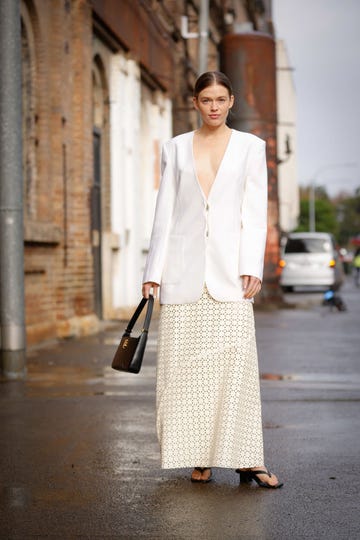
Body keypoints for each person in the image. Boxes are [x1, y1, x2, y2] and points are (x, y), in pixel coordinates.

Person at [142, 71, 282, 488]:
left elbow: (255, 212)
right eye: (207, 100)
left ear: (232, 101)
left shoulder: (250, 148)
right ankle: (197, 456)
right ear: (195, 103)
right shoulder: (176, 148)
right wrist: (152, 273)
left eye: (221, 99)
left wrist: (252, 264)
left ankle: (247, 459)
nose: (215, 107)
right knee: (184, 373)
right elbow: (164, 214)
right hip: (182, 274)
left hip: (230, 275)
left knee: (236, 369)